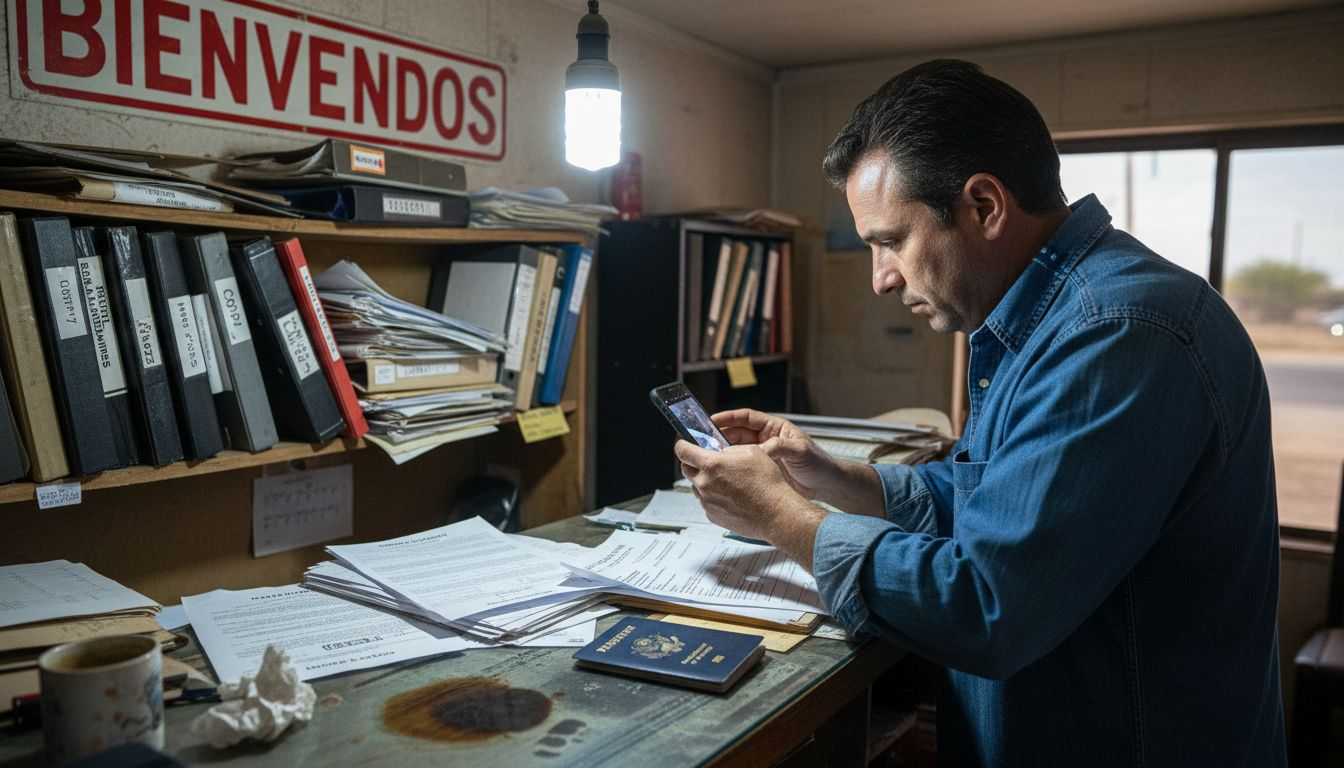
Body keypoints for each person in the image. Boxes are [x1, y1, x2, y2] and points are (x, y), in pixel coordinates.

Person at [674, 59, 1284, 766]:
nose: (881, 279)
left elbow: (990, 604)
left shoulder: (1118, 332)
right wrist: (826, 476)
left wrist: (782, 518)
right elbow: (995, 501)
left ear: (985, 206)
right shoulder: (1052, 317)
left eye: (891, 241)